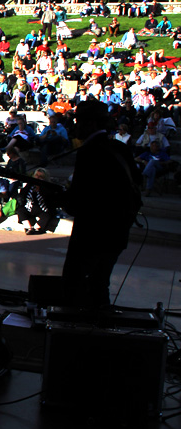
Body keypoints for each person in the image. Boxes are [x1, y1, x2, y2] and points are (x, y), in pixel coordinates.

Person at [61, 100, 142, 309]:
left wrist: (59, 198)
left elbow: (77, 203)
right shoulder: (118, 148)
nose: (76, 126)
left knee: (76, 287)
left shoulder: (89, 152)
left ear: (91, 124)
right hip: (117, 232)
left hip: (92, 233)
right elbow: (137, 182)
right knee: (99, 285)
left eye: (79, 121)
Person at [15, 167, 57, 235]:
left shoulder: (47, 187)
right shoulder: (30, 184)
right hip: (29, 207)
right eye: (36, 175)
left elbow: (49, 199)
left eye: (40, 176)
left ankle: (36, 228)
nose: (38, 178)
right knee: (20, 210)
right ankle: (29, 228)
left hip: (42, 209)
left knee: (47, 215)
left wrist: (40, 188)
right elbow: (22, 194)